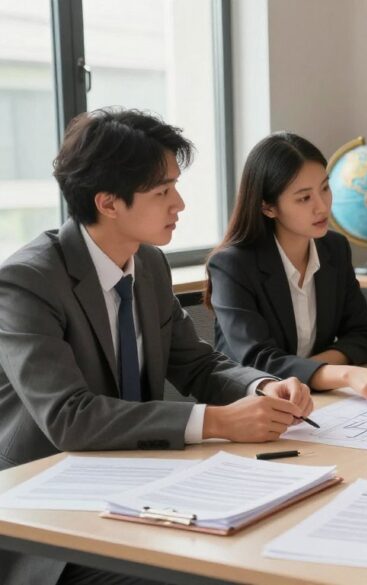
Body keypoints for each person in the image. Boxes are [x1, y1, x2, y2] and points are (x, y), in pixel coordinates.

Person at [0, 108, 313, 585]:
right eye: (163, 191)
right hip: (49, 520)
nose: (180, 204)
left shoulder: (147, 264)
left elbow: (197, 363)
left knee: (277, 540)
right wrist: (218, 421)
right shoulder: (28, 282)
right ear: (108, 203)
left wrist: (264, 386)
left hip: (136, 485)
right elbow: (70, 417)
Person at [206, 132, 367, 406]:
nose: (322, 206)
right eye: (304, 198)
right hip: (246, 407)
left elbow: (364, 335)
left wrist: (311, 370)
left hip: (314, 400)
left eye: (325, 188)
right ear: (268, 207)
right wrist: (341, 373)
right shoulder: (232, 264)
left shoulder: (334, 248)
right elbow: (258, 361)